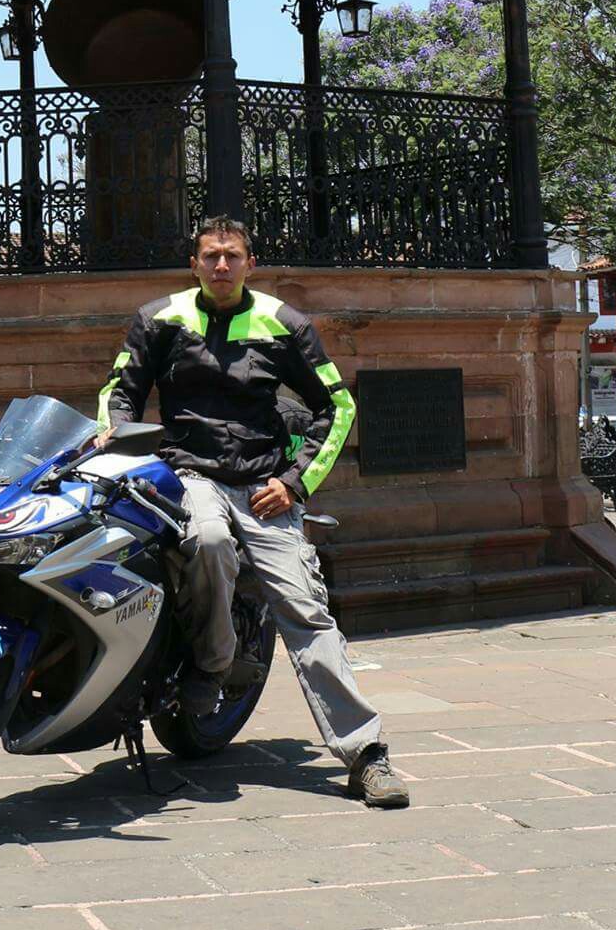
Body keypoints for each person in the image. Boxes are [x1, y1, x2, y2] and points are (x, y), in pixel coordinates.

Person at [96, 213, 408, 809]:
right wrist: (116, 437)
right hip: (189, 476)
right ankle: (212, 665)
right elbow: (121, 392)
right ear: (194, 264)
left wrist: (295, 482)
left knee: (305, 610)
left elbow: (337, 408)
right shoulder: (159, 318)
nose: (221, 265)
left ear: (249, 263)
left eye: (232, 255)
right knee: (209, 542)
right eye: (211, 256)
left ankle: (367, 754)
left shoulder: (285, 323)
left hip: (265, 488)